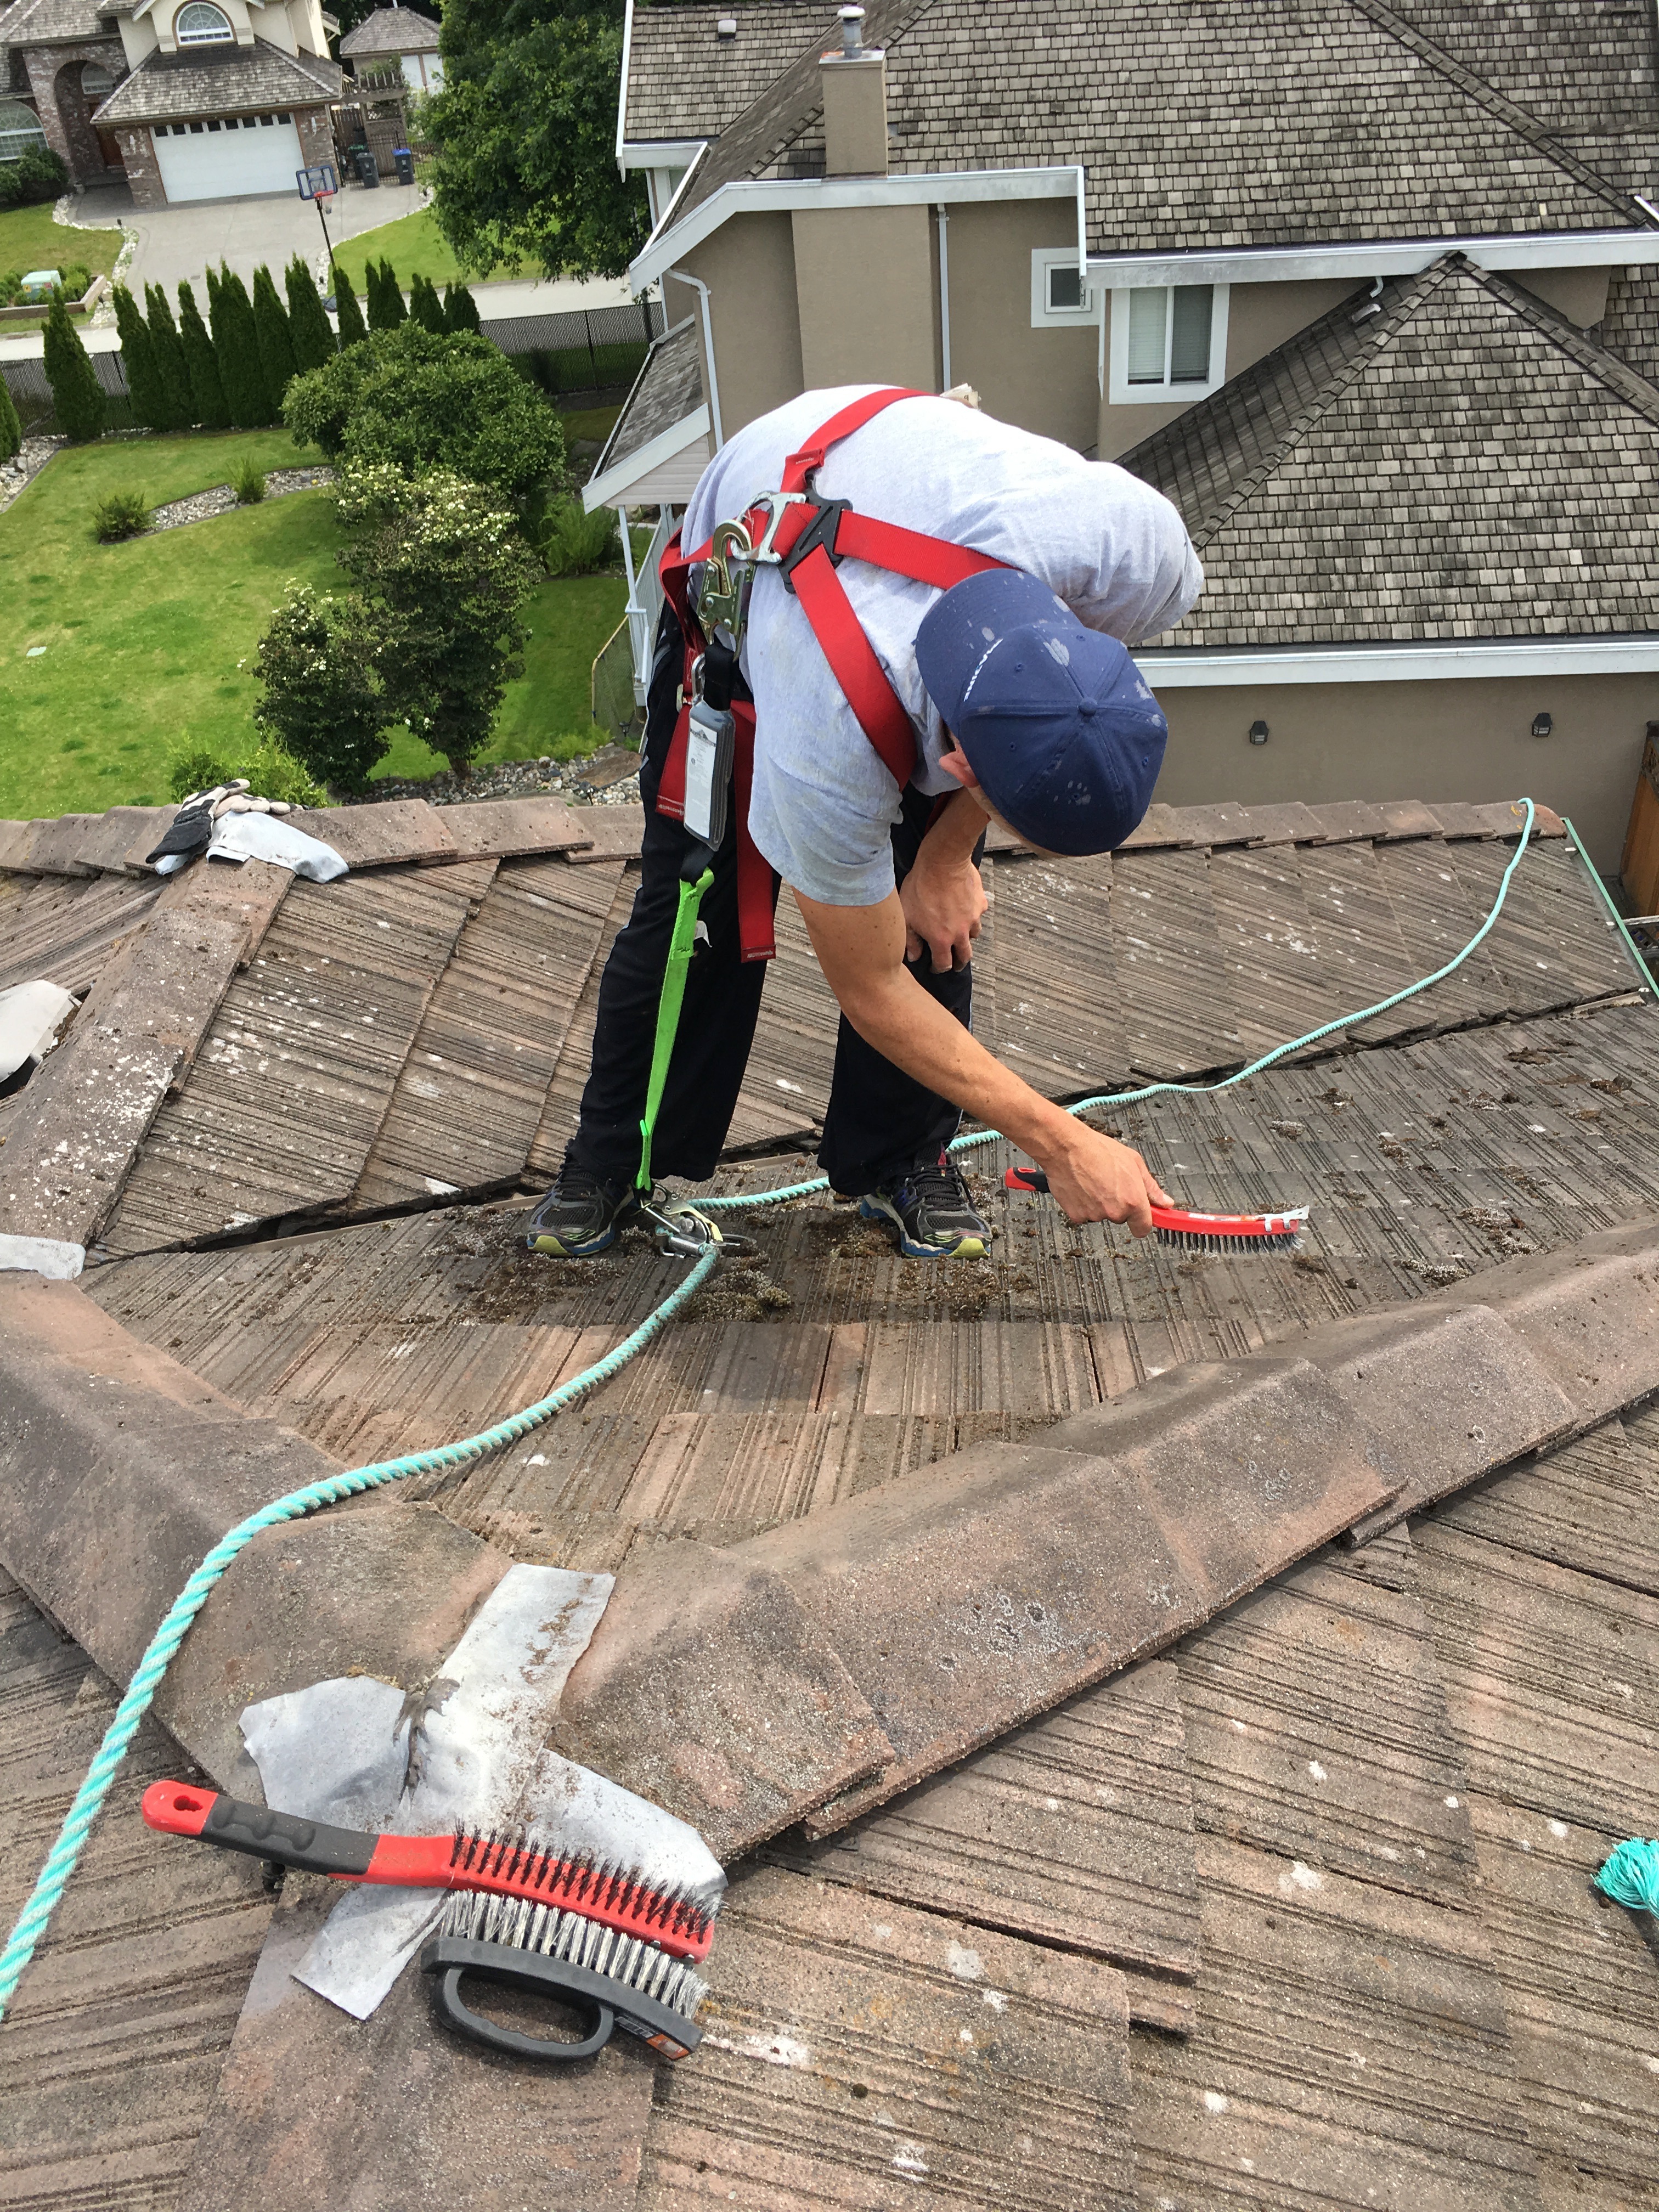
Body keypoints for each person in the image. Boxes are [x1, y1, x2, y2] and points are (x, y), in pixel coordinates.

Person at [527, 383, 1203, 1261]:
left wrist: (949, 852)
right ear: (960, 764)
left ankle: (900, 1159)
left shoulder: (1129, 547)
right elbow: (869, 984)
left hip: (888, 496)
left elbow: (1018, 745)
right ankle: (612, 1162)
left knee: (936, 918)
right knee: (698, 911)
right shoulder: (827, 735)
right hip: (749, 583)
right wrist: (1063, 1142)